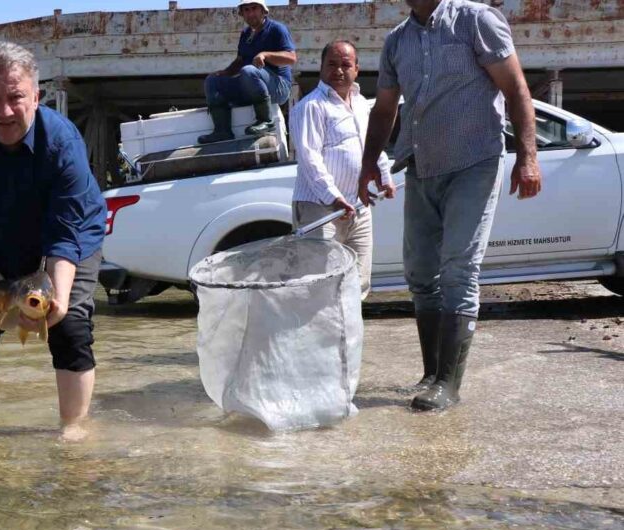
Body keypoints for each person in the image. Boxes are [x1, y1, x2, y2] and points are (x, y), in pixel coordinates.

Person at [358, 0, 541, 411]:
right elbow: (385, 108)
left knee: (458, 267)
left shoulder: (476, 21)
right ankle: (431, 371)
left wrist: (527, 156)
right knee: (421, 272)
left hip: (474, 162)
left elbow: (515, 89)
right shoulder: (396, 41)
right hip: (421, 168)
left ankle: (448, 384)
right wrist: (369, 162)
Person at [0, 41, 107, 440]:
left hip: (73, 233)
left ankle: (74, 428)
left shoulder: (63, 142)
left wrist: (58, 295)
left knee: (69, 328)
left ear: (37, 95)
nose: (5, 111)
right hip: (3, 230)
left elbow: (65, 235)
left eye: (16, 97)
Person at [290, 40, 393, 299]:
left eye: (345, 65)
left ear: (357, 69)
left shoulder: (361, 103)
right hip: (320, 209)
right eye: (332, 65)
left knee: (357, 284)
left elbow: (372, 145)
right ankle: (320, 340)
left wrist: (385, 176)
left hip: (358, 207)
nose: (338, 71)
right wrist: (334, 197)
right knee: (320, 286)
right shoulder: (311, 107)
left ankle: (350, 339)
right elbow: (309, 158)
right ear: (321, 68)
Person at [197, 0, 297, 144]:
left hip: (279, 87)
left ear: (263, 11)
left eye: (254, 8)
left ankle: (265, 120)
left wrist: (265, 55)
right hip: (253, 85)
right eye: (246, 10)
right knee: (212, 81)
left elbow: (291, 58)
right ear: (242, 14)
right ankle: (222, 131)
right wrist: (225, 73)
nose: (250, 13)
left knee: (249, 71)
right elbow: (240, 61)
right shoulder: (245, 34)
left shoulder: (277, 29)